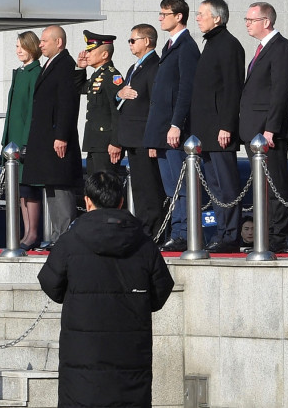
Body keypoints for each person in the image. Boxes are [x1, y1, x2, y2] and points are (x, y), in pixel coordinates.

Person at [37, 171, 175, 408]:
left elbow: (51, 285)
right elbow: (160, 292)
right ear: (121, 202)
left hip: (82, 360)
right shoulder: (144, 243)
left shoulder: (70, 241)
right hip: (130, 358)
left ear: (87, 201)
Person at [238, 1, 288, 252]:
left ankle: (278, 235)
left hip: (268, 131)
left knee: (275, 185)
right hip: (254, 130)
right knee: (262, 186)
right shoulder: (262, 49)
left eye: (251, 20)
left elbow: (279, 92)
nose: (247, 25)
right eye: (247, 20)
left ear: (266, 21)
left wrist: (270, 129)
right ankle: (266, 233)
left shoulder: (280, 47)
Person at [143, 0, 200, 251]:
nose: (160, 18)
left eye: (165, 13)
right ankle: (177, 230)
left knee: (180, 184)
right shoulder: (170, 46)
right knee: (171, 187)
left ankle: (184, 232)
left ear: (179, 16)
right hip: (163, 130)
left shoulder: (186, 46)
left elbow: (186, 89)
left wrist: (177, 124)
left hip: (174, 129)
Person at [190, 0, 246, 252]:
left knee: (226, 185)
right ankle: (222, 232)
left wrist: (226, 125)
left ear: (217, 18)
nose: (198, 18)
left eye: (202, 14)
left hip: (220, 129)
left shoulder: (228, 45)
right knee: (214, 186)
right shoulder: (211, 43)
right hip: (206, 130)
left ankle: (231, 235)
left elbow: (232, 88)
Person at [23, 25, 84, 245]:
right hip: (46, 139)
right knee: (51, 186)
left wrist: (62, 136)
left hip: (57, 139)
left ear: (58, 42)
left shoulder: (65, 64)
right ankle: (58, 237)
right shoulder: (51, 64)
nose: (40, 45)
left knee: (61, 188)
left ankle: (65, 237)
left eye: (44, 41)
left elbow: (67, 103)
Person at [115, 24, 163, 236]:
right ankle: (144, 226)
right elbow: (124, 97)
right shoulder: (135, 67)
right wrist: (119, 94)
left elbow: (156, 104)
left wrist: (154, 139)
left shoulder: (154, 66)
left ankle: (154, 230)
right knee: (140, 188)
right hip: (132, 137)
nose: (130, 44)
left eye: (133, 40)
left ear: (146, 41)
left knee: (150, 188)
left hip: (145, 137)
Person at [0, 32, 43, 247]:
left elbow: (32, 112)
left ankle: (33, 233)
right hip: (14, 141)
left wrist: (26, 142)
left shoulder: (36, 72)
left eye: (22, 46)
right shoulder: (21, 72)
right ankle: (26, 233)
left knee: (29, 188)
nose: (18, 50)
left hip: (26, 141)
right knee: (19, 191)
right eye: (16, 46)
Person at [75, 31, 124, 176]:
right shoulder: (97, 76)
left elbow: (118, 111)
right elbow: (79, 88)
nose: (87, 54)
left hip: (106, 144)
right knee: (94, 187)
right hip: (94, 142)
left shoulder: (111, 76)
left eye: (91, 50)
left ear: (104, 55)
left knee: (105, 187)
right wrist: (80, 68)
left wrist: (116, 142)